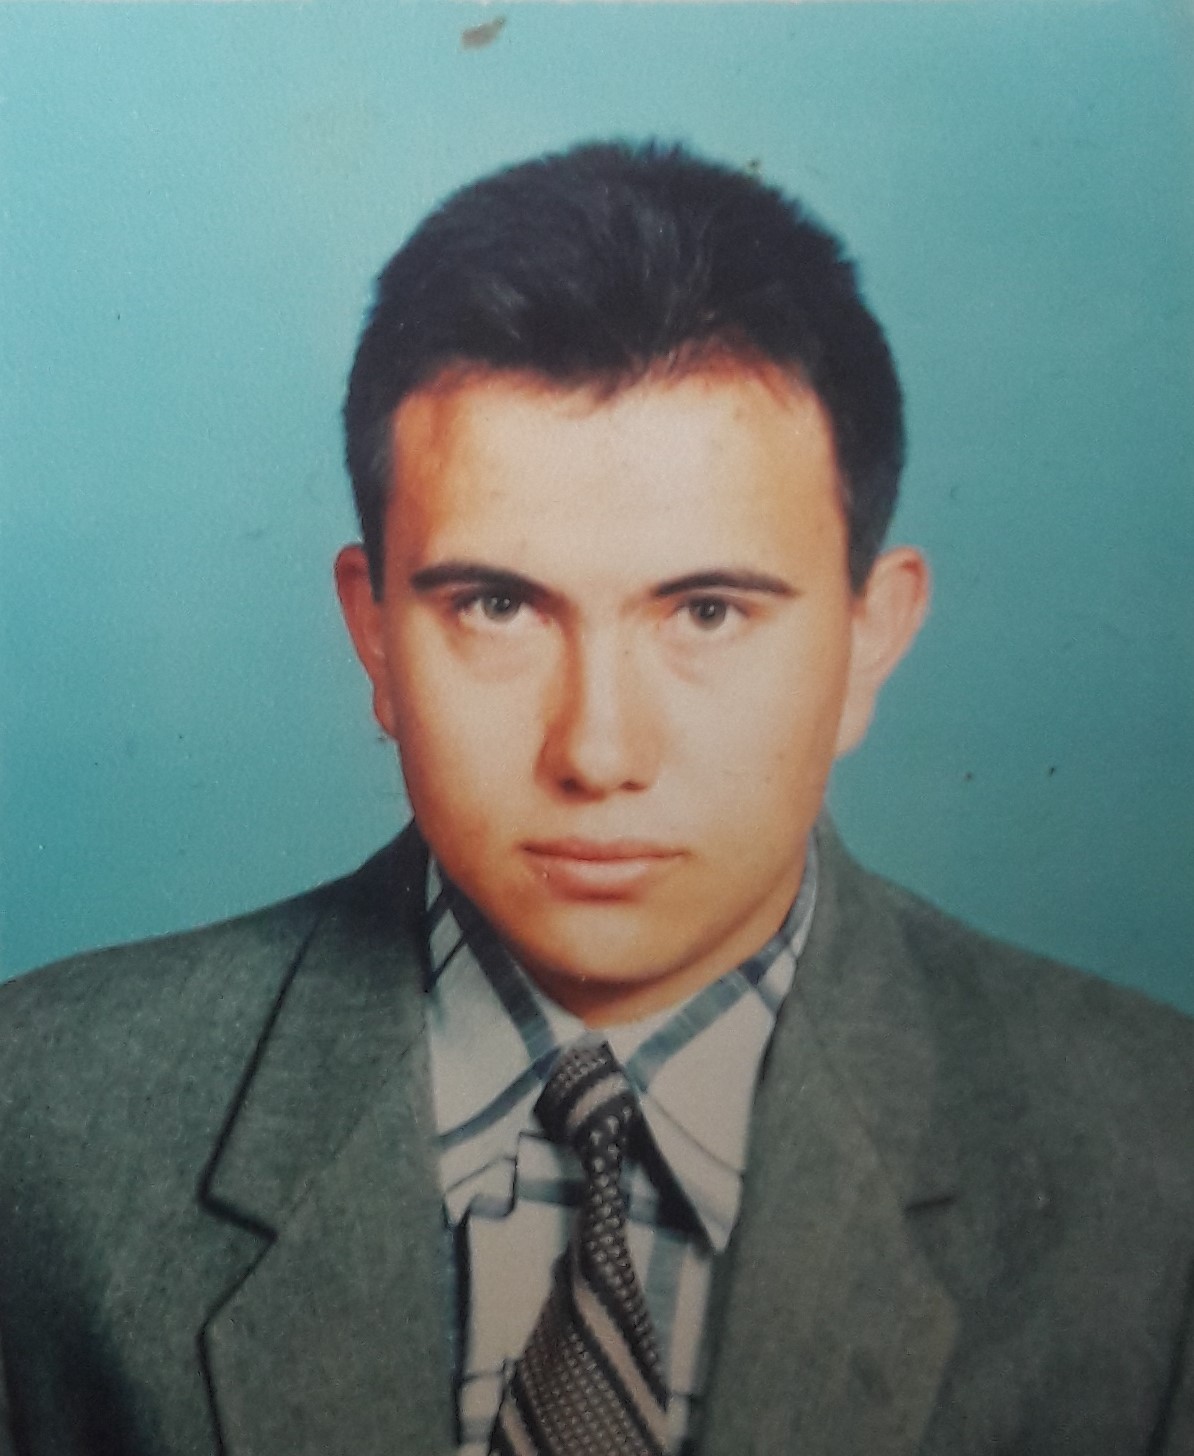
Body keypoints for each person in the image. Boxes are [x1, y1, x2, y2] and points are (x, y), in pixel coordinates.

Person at [0, 141, 1190, 1456]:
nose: (599, 752)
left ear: (870, 639)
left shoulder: (1157, 1162)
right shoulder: (39, 1123)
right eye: (498, 606)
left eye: (707, 611)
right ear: (374, 635)